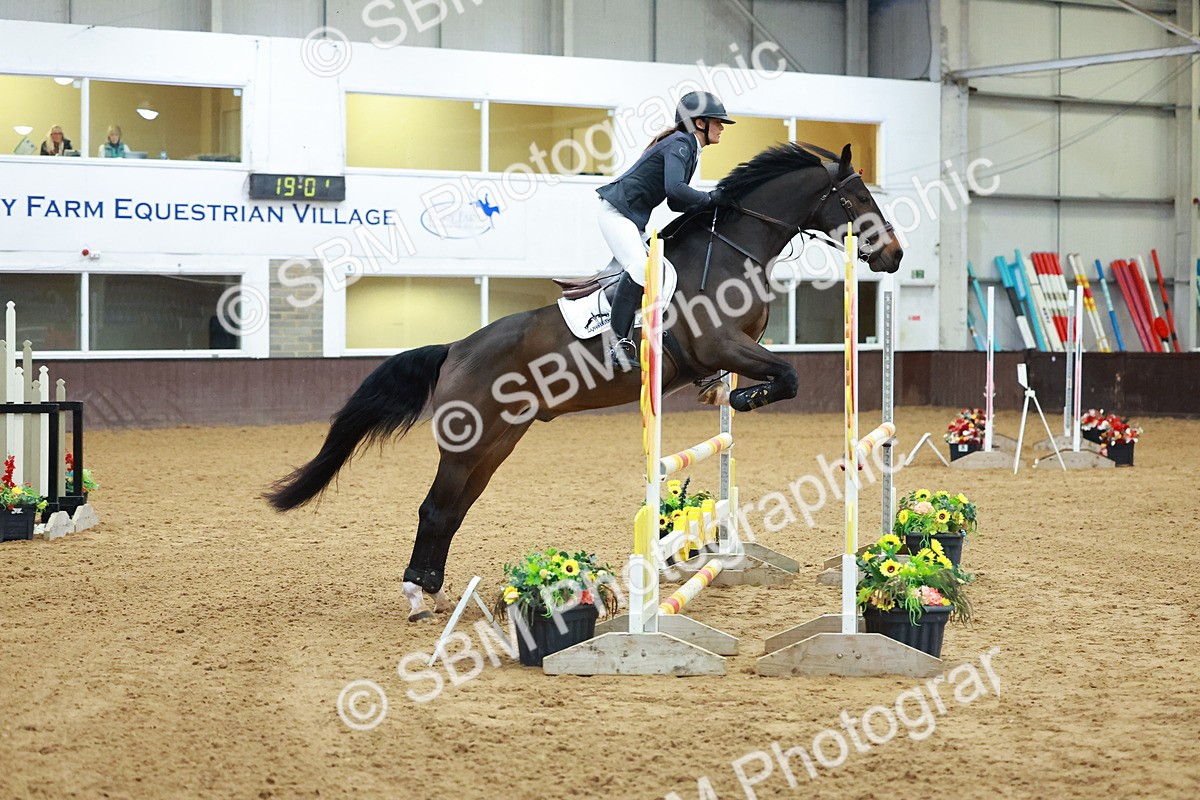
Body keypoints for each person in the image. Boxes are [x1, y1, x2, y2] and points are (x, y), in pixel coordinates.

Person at [596, 90, 735, 368]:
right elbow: (676, 190)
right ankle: (617, 346)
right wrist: (710, 198)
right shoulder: (681, 144)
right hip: (615, 214)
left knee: (666, 267)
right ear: (699, 123)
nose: (721, 127)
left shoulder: (689, 149)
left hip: (632, 220)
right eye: (717, 122)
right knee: (639, 268)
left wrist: (709, 206)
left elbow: (674, 202)